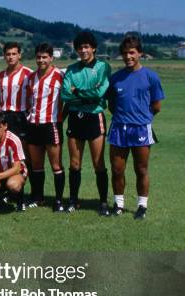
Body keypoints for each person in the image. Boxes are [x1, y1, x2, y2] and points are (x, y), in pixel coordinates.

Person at [107, 35, 164, 220]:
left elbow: (156, 106)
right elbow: (112, 105)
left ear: (140, 53)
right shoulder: (115, 78)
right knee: (117, 170)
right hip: (118, 130)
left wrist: (141, 118)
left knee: (141, 169)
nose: (128, 56)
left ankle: (142, 206)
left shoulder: (151, 77)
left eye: (132, 52)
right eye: (124, 53)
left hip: (140, 129)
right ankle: (118, 205)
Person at [61, 32, 112, 216]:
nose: (83, 50)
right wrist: (85, 94)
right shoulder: (71, 69)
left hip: (94, 118)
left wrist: (78, 92)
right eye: (80, 47)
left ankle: (103, 202)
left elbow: (100, 94)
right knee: (75, 164)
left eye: (86, 47)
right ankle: (73, 201)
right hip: (75, 118)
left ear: (93, 48)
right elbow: (65, 95)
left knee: (99, 163)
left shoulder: (103, 67)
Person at [26, 43, 66, 212]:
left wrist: (60, 119)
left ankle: (58, 200)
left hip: (51, 125)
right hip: (34, 125)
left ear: (51, 58)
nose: (41, 60)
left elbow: (67, 100)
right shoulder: (31, 77)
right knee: (36, 164)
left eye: (44, 57)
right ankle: (38, 197)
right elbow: (29, 100)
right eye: (39, 57)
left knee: (56, 165)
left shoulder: (60, 76)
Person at [0, 42, 32, 194]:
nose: (10, 57)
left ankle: (24, 191)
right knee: (5, 153)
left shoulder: (28, 74)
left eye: (13, 54)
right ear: (4, 56)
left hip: (21, 116)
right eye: (8, 54)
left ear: (19, 55)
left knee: (23, 155)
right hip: (5, 116)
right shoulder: (0, 76)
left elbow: (32, 97)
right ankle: (6, 190)